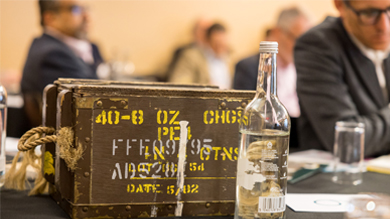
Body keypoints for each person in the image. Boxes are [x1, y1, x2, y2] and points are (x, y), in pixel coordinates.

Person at [295, 0, 390, 157]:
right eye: (369, 13)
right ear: (340, 6)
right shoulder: (317, 45)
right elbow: (347, 140)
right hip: (336, 175)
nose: (384, 26)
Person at [233, 6, 312, 148]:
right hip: (266, 143)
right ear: (277, 32)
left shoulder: (305, 68)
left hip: (302, 145)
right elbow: (246, 118)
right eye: (297, 40)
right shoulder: (249, 67)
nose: (302, 48)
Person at [21, 0, 103, 127]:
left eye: (86, 8)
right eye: (75, 9)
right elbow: (97, 101)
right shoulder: (52, 54)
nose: (86, 15)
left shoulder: (86, 47)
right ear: (50, 18)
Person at [169, 23, 231, 89]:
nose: (220, 47)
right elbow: (179, 83)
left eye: (223, 43)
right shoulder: (191, 56)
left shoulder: (229, 58)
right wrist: (205, 87)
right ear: (208, 41)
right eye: (216, 43)